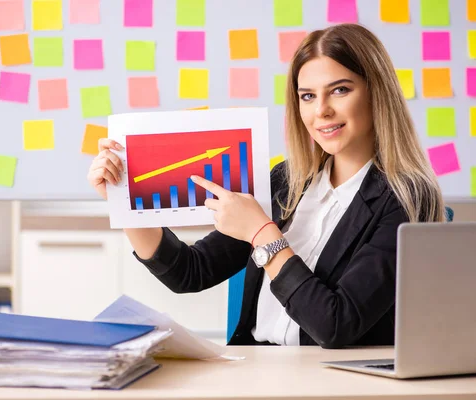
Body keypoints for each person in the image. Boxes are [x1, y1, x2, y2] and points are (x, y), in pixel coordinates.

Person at [87, 23, 445, 348]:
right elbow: (189, 273)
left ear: (375, 93)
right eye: (307, 96)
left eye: (339, 90)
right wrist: (125, 201)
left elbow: (336, 324)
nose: (321, 111)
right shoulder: (286, 182)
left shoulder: (409, 198)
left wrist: (262, 234)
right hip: (257, 368)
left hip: (336, 379)